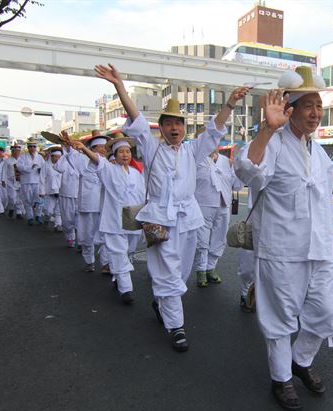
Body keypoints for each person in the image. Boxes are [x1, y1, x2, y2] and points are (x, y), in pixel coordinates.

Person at [95, 63, 249, 352]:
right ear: (162, 127)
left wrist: (229, 104)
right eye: (168, 123)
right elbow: (136, 117)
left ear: (184, 127)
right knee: (166, 269)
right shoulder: (151, 148)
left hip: (188, 218)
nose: (174, 128)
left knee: (180, 272)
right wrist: (119, 86)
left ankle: (162, 301)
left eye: (178, 123)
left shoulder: (194, 150)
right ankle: (176, 326)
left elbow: (214, 131)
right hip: (158, 219)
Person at [235, 66, 333, 411]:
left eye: (318, 106)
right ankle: (281, 378)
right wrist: (267, 129)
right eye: (307, 105)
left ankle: (301, 360)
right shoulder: (273, 143)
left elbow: (323, 200)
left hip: (318, 251)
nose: (315, 113)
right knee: (280, 320)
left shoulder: (317, 150)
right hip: (281, 250)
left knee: (328, 315)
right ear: (290, 109)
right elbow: (244, 170)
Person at [68, 133, 144, 306]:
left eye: (127, 151)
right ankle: (126, 289)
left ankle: (118, 275)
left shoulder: (136, 173)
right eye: (121, 152)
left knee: (129, 251)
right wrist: (84, 149)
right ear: (115, 156)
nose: (125, 154)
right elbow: (97, 160)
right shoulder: (108, 169)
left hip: (133, 216)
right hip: (115, 217)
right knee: (118, 252)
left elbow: (142, 195)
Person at [193, 148, 242, 288]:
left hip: (223, 204)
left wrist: (237, 169)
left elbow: (236, 185)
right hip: (203, 204)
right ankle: (201, 270)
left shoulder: (226, 161)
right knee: (202, 239)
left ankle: (211, 267)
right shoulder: (197, 158)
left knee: (220, 237)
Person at [63, 132, 110, 272]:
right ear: (93, 149)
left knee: (105, 235)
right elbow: (72, 154)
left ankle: (106, 263)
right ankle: (89, 262)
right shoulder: (83, 160)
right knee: (86, 234)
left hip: (104, 206)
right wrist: (68, 144)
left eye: (105, 147)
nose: (103, 150)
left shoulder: (108, 163)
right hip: (88, 204)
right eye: (100, 147)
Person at [53, 143, 80, 247]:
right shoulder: (64, 159)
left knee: (80, 221)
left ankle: (81, 241)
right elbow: (58, 167)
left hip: (80, 194)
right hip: (66, 194)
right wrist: (66, 155)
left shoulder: (82, 159)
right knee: (68, 220)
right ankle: (70, 237)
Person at [16, 139, 45, 225]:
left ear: (36, 148)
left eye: (34, 146)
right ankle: (30, 217)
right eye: (30, 147)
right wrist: (30, 167)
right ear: (28, 148)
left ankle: (38, 215)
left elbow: (44, 168)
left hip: (37, 181)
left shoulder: (40, 157)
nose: (32, 148)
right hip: (26, 181)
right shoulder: (22, 156)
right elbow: (19, 167)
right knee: (27, 200)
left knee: (39, 199)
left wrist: (40, 170)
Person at [40, 146, 63, 232]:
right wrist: (41, 191)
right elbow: (42, 178)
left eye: (59, 157)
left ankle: (58, 225)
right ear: (52, 156)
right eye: (55, 156)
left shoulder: (62, 166)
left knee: (59, 210)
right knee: (48, 210)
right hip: (49, 191)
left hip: (60, 191)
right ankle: (47, 217)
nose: (57, 158)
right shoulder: (45, 165)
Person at [2, 144, 25, 219]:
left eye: (18, 151)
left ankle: (19, 212)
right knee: (12, 197)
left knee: (20, 197)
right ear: (12, 152)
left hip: (20, 181)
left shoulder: (22, 160)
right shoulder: (7, 160)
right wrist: (3, 180)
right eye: (15, 151)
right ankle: (11, 208)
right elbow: (4, 171)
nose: (16, 153)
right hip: (10, 182)